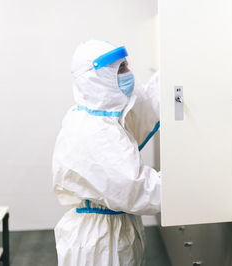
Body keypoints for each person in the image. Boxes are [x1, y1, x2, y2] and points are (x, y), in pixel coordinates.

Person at [52, 40, 161, 266]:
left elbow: (144, 107)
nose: (129, 73)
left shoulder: (99, 118)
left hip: (110, 231)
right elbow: (135, 188)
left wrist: (177, 67)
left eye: (126, 65)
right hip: (97, 243)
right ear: (97, 78)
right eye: (120, 69)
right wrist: (189, 187)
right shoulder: (93, 130)